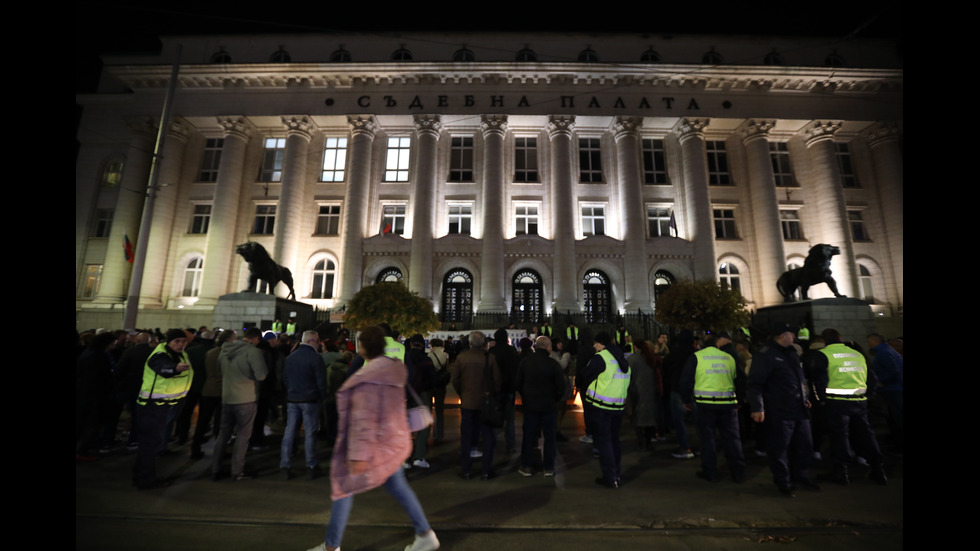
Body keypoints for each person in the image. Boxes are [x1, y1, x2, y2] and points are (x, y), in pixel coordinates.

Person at [305, 326, 439, 551]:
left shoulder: (367, 379)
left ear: (363, 348)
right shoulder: (395, 368)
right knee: (398, 486)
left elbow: (363, 421)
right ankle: (425, 534)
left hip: (374, 445)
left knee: (343, 488)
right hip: (394, 441)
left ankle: (331, 547)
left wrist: (357, 456)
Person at [810, 328, 887, 485]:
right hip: (859, 401)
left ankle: (841, 472)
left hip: (836, 403)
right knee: (866, 435)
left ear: (824, 340)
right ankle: (878, 470)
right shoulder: (857, 354)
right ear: (840, 337)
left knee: (840, 436)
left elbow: (818, 380)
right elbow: (872, 378)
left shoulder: (823, 354)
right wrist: (868, 396)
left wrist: (821, 400)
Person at [748, 324, 817, 496]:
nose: (793, 336)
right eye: (790, 334)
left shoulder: (791, 352)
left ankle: (799, 476)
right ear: (781, 336)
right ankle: (783, 482)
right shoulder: (766, 355)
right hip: (779, 410)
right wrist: (757, 407)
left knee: (804, 445)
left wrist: (805, 398)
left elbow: (800, 379)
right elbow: (755, 383)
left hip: (798, 409)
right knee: (779, 448)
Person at [132, 329, 193, 490]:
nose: (180, 344)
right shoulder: (159, 355)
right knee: (150, 444)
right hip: (151, 406)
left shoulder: (181, 354)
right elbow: (164, 368)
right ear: (168, 342)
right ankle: (146, 480)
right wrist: (175, 368)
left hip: (163, 405)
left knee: (151, 443)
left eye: (183, 341)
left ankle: (141, 476)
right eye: (177, 341)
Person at [680, 334, 745, 483]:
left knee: (707, 440)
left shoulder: (696, 357)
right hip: (728, 404)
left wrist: (686, 400)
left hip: (704, 405)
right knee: (732, 439)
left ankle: (710, 471)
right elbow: (740, 380)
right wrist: (739, 401)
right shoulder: (728, 358)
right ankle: (738, 472)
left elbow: (686, 380)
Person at [211, 328, 267, 481]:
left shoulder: (224, 350)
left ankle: (215, 468)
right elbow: (261, 375)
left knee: (223, 435)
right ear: (256, 339)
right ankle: (237, 471)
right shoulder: (253, 352)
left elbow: (219, 372)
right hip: (246, 398)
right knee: (243, 436)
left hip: (227, 397)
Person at [582, 332, 630, 488]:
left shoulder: (601, 358)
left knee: (605, 442)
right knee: (614, 441)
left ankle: (610, 477)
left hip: (601, 407)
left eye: (596, 343)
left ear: (602, 344)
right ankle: (616, 473)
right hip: (617, 406)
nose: (594, 346)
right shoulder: (621, 358)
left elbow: (585, 376)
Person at [450, 331, 501, 480]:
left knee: (466, 436)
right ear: (484, 343)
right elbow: (497, 381)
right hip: (485, 403)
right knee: (487, 437)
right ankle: (486, 470)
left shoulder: (461, 358)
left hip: (468, 402)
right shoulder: (490, 358)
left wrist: (463, 393)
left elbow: (455, 380)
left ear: (470, 343)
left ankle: (466, 469)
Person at [515, 336, 566, 477]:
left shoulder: (525, 362)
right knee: (549, 437)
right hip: (548, 405)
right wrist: (554, 398)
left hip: (531, 405)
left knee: (529, 436)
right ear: (547, 346)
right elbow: (561, 386)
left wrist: (525, 396)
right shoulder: (553, 363)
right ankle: (548, 467)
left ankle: (526, 465)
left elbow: (518, 383)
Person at [281, 330, 327, 480]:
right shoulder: (315, 358)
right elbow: (321, 382)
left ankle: (285, 464)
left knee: (290, 431)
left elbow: (285, 379)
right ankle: (311, 464)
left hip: (293, 399)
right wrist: (322, 397)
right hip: (310, 400)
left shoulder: (291, 357)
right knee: (310, 433)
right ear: (310, 341)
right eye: (317, 340)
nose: (320, 343)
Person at [867, 333, 903, 452]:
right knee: (895, 417)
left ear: (875, 341)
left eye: (870, 342)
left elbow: (894, 371)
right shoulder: (888, 351)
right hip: (894, 389)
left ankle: (899, 445)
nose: (868, 344)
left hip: (892, 390)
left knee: (896, 417)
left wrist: (881, 382)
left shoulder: (883, 353)